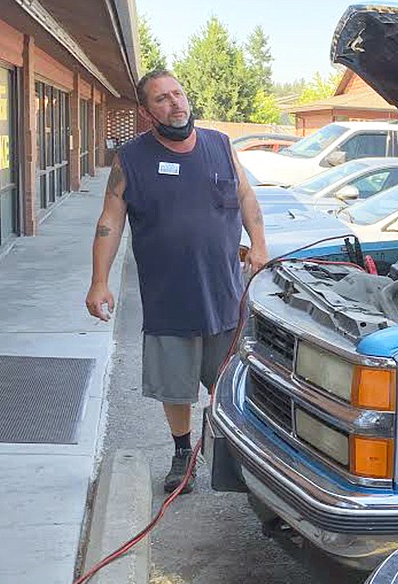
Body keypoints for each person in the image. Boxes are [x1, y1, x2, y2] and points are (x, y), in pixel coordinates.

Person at [85, 69, 269, 494]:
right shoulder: (131, 159)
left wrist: (259, 245)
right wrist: (99, 281)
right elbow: (110, 221)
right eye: (162, 99)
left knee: (230, 380)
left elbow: (245, 197)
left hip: (224, 293)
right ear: (147, 112)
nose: (175, 104)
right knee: (176, 384)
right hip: (169, 296)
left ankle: (235, 454)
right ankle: (182, 453)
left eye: (178, 94)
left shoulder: (220, 145)